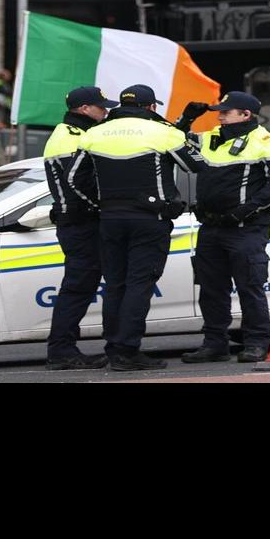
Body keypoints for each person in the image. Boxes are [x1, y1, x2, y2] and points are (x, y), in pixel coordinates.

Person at [78, 84, 194, 371]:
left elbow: (74, 178)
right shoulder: (163, 132)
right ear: (151, 107)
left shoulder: (94, 133)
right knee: (139, 285)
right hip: (149, 219)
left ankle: (114, 348)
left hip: (109, 219)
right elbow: (196, 164)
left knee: (115, 284)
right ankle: (128, 351)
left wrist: (100, 202)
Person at [176, 91, 270, 364]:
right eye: (219, 111)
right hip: (211, 227)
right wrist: (187, 118)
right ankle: (214, 344)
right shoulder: (211, 137)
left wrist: (243, 211)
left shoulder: (267, 142)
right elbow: (174, 143)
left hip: (246, 229)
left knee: (249, 286)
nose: (219, 115)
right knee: (210, 288)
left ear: (245, 114)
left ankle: (256, 343)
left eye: (226, 112)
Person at [42, 86, 118, 370]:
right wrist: (101, 206)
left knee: (79, 287)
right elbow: (79, 184)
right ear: (85, 109)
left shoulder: (72, 133)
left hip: (78, 221)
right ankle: (61, 351)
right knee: (77, 288)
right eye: (101, 107)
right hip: (80, 222)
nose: (106, 111)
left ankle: (62, 349)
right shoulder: (70, 138)